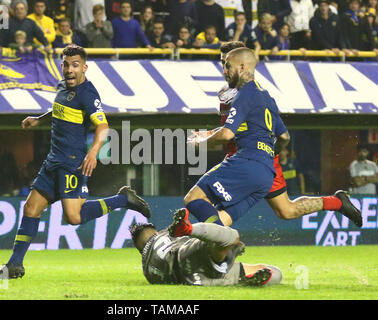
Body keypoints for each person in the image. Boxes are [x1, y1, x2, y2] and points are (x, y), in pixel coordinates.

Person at [0, 44, 151, 280]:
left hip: (72, 163)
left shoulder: (88, 93)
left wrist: (93, 152)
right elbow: (61, 108)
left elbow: (103, 126)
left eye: (75, 65)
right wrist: (38, 119)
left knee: (73, 217)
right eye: (66, 64)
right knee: (30, 208)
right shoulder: (63, 87)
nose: (69, 70)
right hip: (53, 161)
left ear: (84, 67)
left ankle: (123, 199)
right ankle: (14, 265)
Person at [194, 41, 363, 227]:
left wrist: (204, 140)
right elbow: (234, 128)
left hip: (247, 157)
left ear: (239, 63)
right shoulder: (237, 92)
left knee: (204, 199)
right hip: (256, 156)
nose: (223, 68)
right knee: (286, 211)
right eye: (222, 62)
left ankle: (210, 243)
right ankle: (336, 202)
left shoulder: (244, 93)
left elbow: (230, 132)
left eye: (226, 62)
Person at [131, 208, 282, 286]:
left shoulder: (147, 270)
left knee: (219, 266)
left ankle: (236, 275)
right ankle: (189, 229)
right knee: (232, 237)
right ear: (153, 232)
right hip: (186, 254)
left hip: (192, 279)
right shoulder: (163, 234)